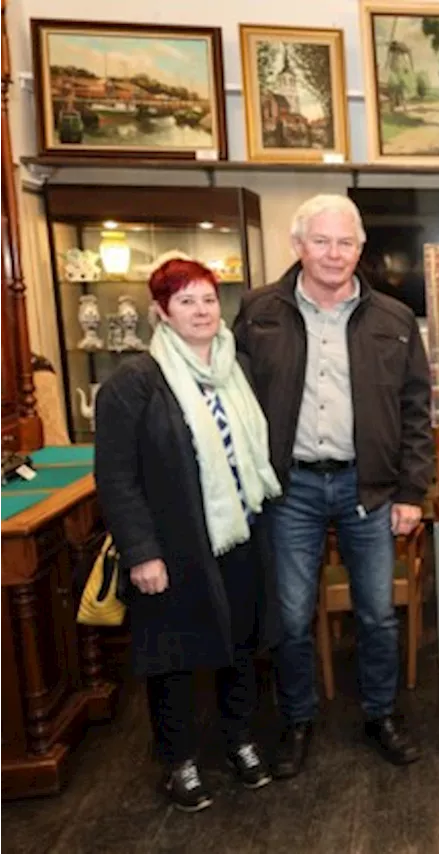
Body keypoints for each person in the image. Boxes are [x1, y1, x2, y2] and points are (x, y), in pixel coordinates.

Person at [233, 194, 433, 777]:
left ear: (360, 248)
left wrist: (411, 492)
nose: (333, 253)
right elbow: (237, 400)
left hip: (368, 488)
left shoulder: (394, 319)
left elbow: (417, 410)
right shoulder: (258, 312)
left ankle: (382, 715)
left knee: (376, 613)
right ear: (297, 246)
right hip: (289, 488)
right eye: (320, 241)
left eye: (345, 242)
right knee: (291, 617)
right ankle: (297, 721)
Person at [95, 258, 282, 812]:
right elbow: (116, 477)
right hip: (172, 548)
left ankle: (241, 741)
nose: (201, 312)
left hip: (241, 533)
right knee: (173, 658)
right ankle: (179, 761)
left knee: (241, 647)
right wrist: (141, 552)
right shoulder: (135, 381)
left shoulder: (237, 367)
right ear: (160, 312)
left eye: (207, 299)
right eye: (185, 302)